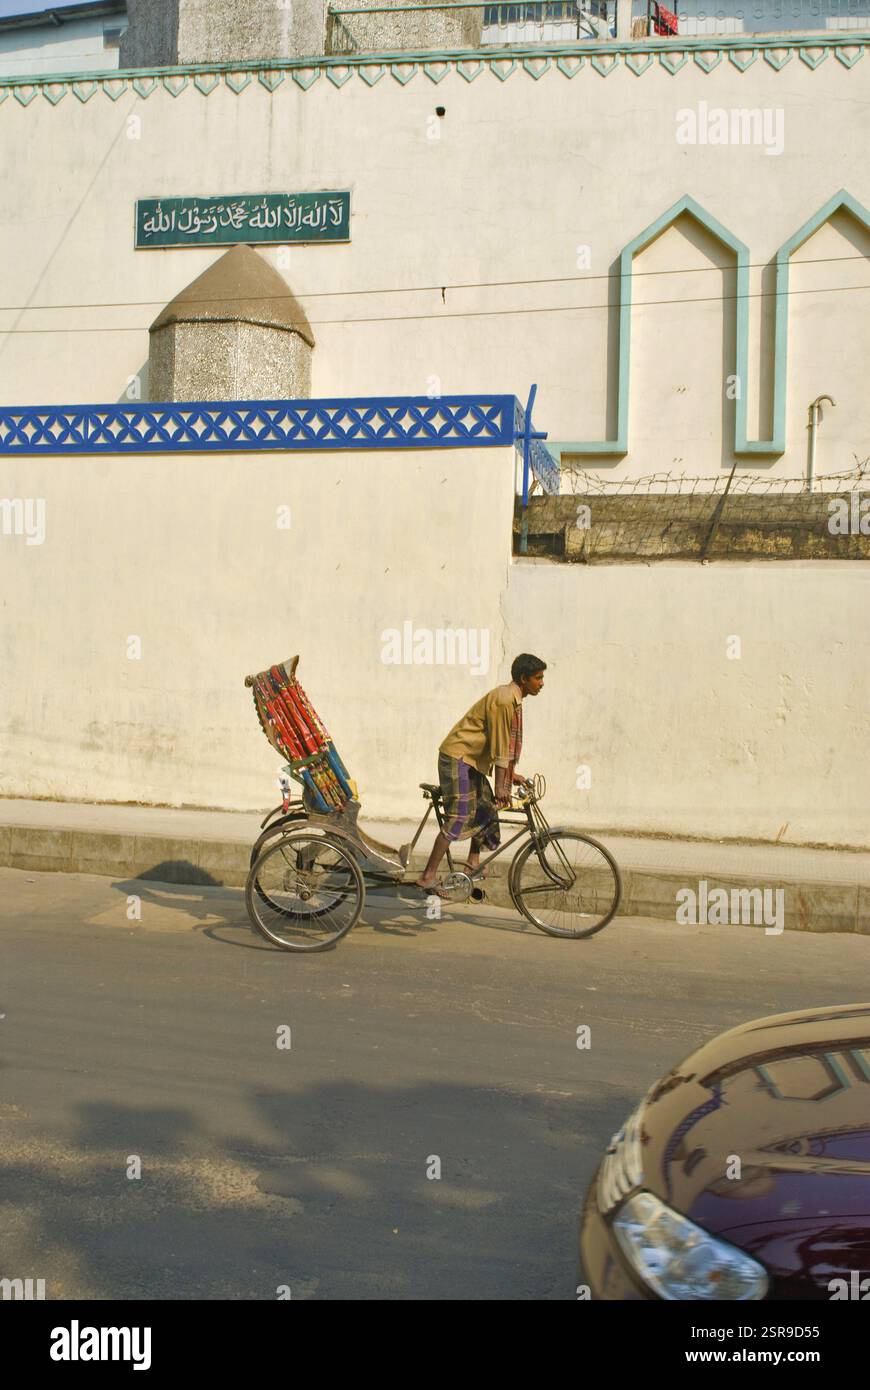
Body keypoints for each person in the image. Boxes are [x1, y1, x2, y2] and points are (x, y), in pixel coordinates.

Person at [415, 654, 546, 895]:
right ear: (524, 678)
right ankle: (427, 876)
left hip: (470, 761)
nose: (542, 683)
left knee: (486, 808)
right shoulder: (505, 699)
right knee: (458, 817)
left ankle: (473, 864)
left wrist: (510, 775)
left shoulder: (513, 699)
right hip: (458, 757)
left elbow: (504, 746)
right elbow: (499, 747)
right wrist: (501, 786)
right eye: (538, 678)